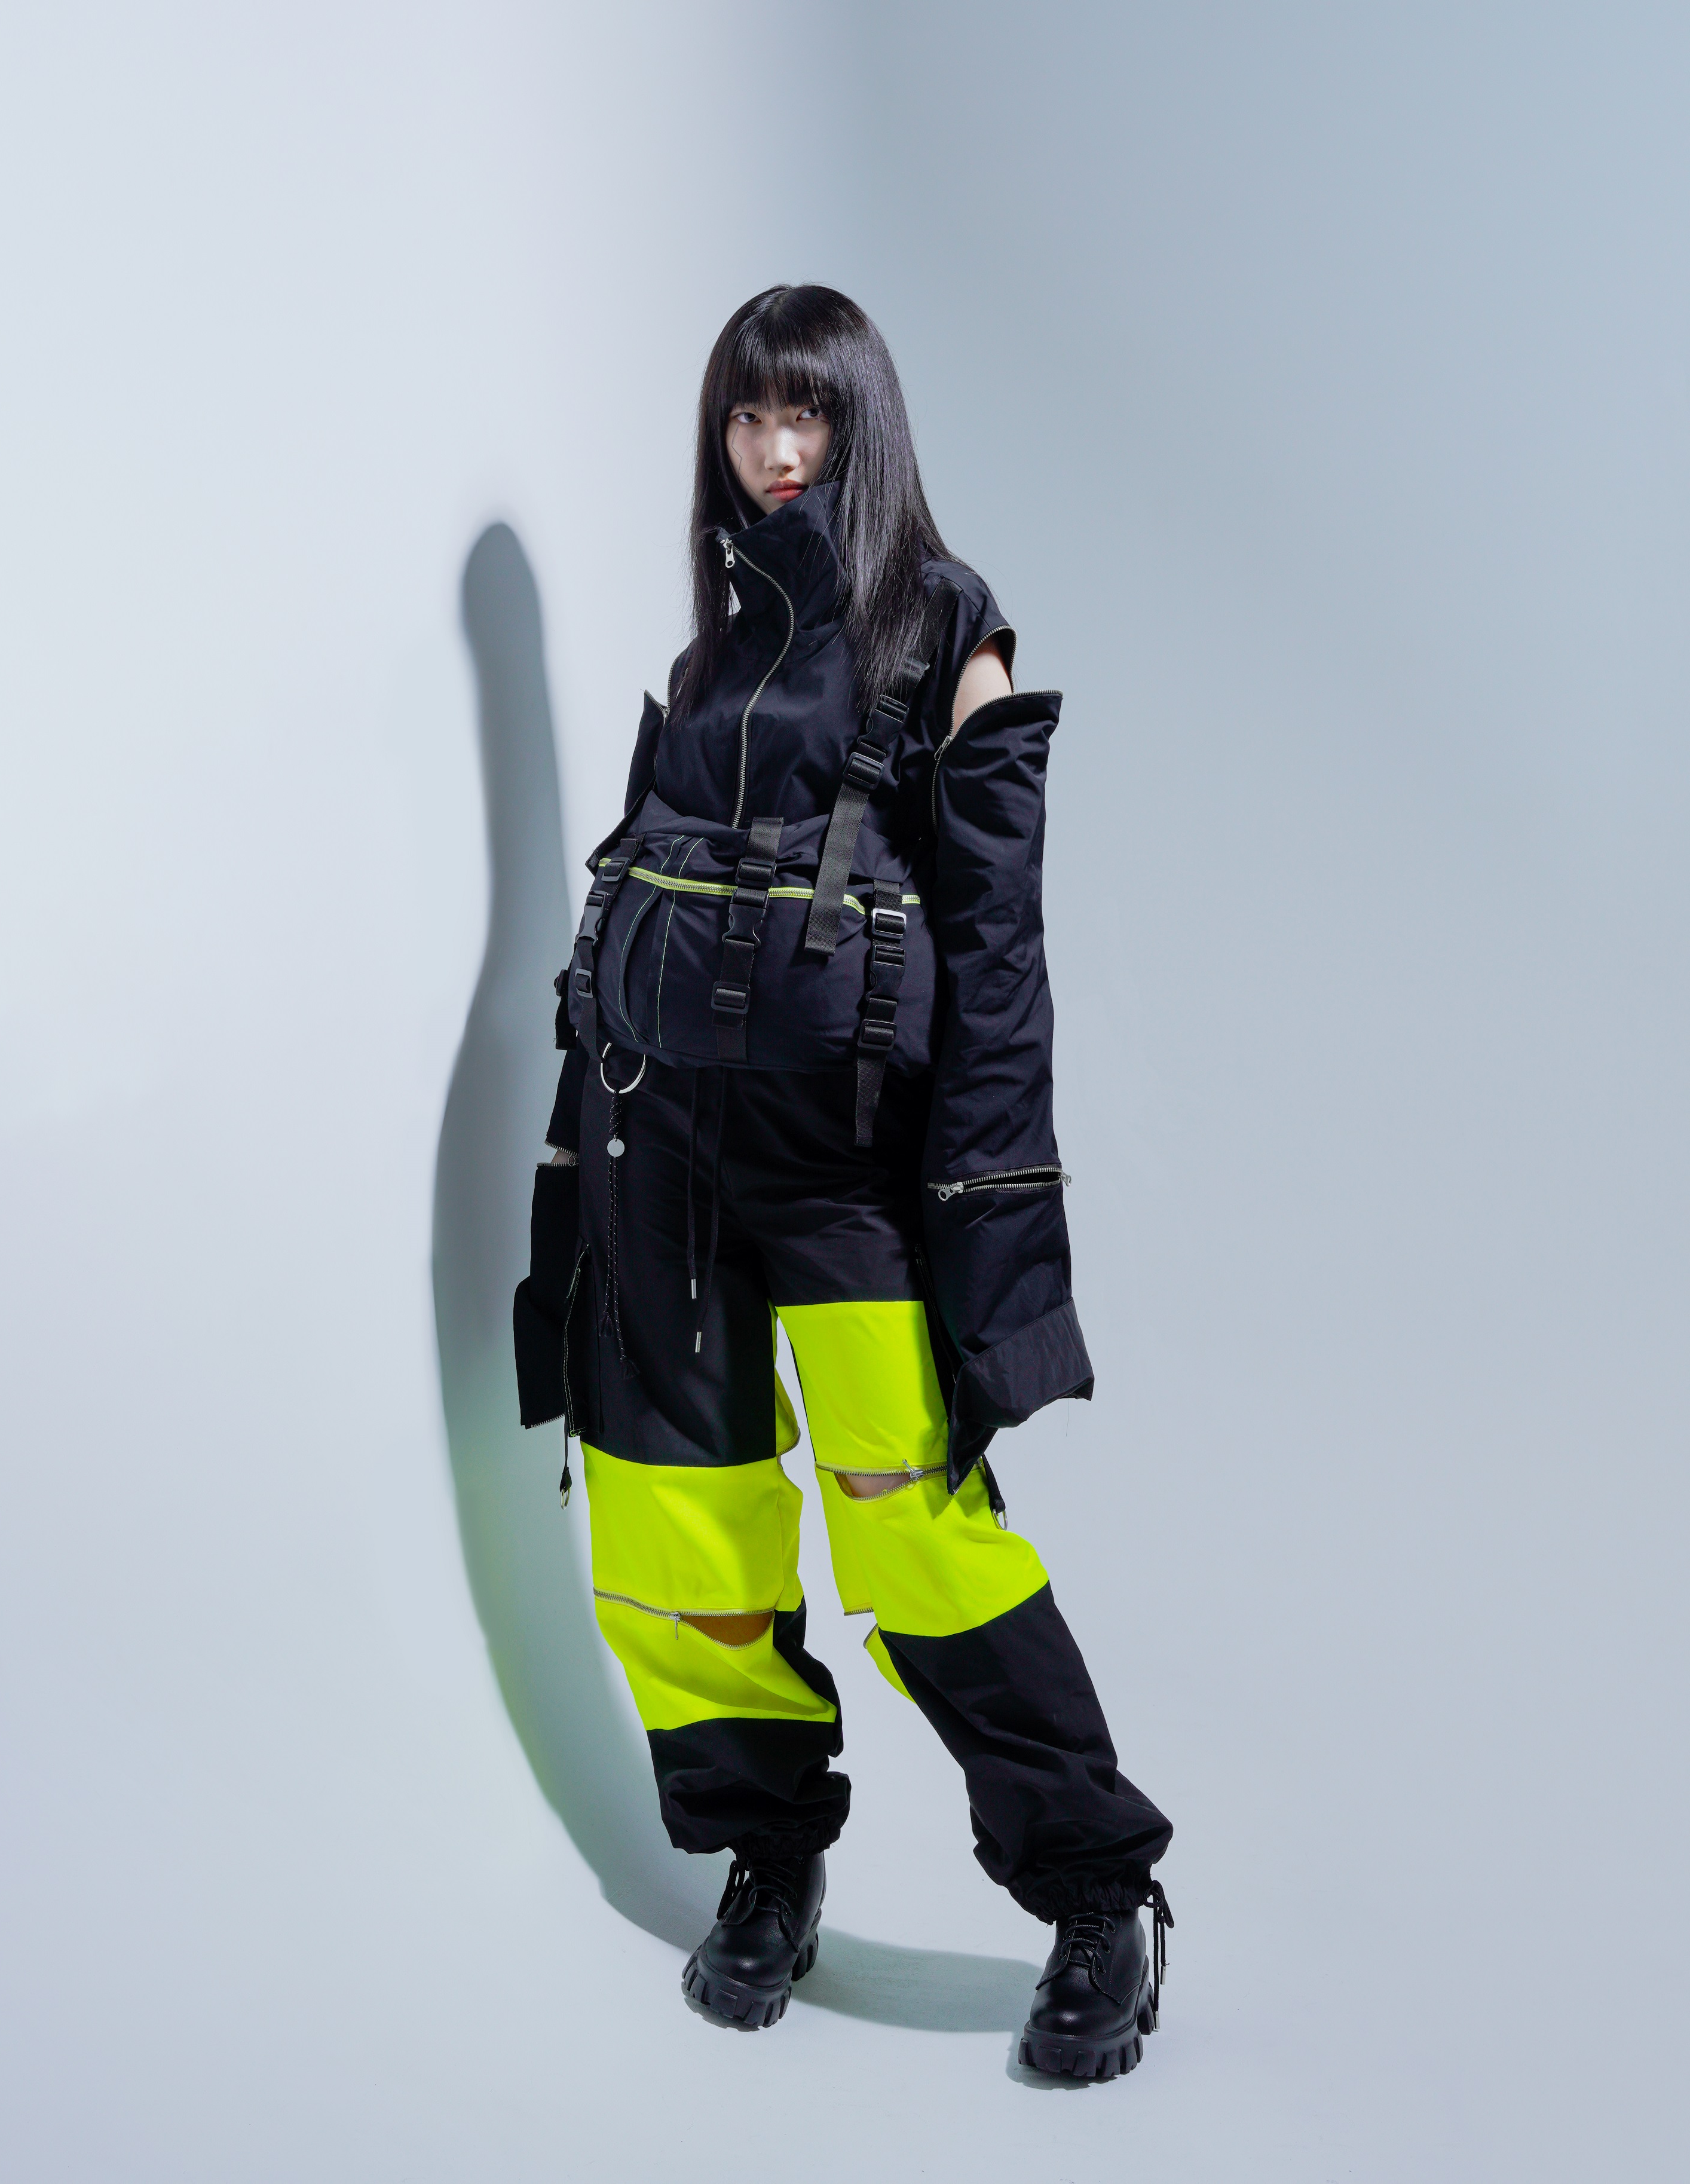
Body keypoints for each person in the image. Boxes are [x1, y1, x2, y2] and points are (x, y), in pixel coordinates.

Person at [515, 284, 1172, 2081]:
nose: (774, 450)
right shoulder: (712, 655)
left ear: (860, 422)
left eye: (803, 414)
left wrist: (995, 1216)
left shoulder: (949, 629)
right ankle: (768, 1856)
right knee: (675, 1538)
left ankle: (1098, 1895)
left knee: (916, 1531)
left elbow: (999, 955)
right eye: (745, 418)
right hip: (666, 1158)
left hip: (849, 1177)